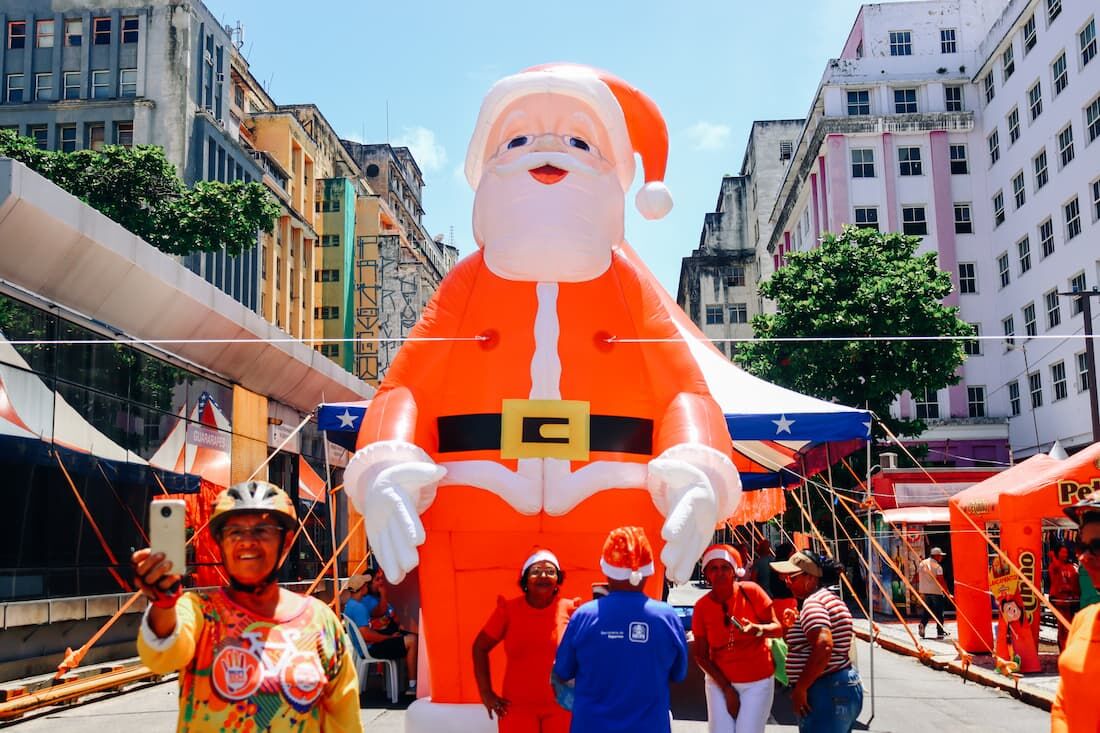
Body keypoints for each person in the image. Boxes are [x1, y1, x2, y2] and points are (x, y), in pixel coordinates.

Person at [131, 481, 363, 733]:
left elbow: (344, 720)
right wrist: (163, 602)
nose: (247, 541)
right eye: (234, 532)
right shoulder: (201, 612)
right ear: (219, 543)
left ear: (285, 542)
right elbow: (163, 657)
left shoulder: (321, 621)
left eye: (262, 530)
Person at [553, 526, 688, 733]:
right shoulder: (667, 617)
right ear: (648, 571)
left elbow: (562, 671)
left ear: (606, 570)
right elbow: (678, 673)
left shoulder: (584, 616)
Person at [472, 549, 579, 732]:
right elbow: (479, 647)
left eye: (550, 571)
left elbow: (589, 652)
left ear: (557, 580)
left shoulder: (572, 610)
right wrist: (486, 693)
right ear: (525, 580)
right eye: (536, 571)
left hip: (562, 706)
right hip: (516, 708)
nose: (543, 575)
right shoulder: (508, 610)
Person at [692, 544, 782, 733]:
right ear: (707, 574)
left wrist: (757, 629)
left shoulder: (752, 591)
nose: (720, 573)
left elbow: (777, 629)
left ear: (735, 571)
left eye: (725, 567)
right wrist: (726, 688)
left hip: (757, 681)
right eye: (713, 568)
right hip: (718, 682)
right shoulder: (701, 607)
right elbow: (700, 655)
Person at [771, 551, 862, 733]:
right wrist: (793, 627)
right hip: (840, 686)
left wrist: (801, 688)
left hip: (825, 689)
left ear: (810, 578)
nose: (787, 582)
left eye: (792, 577)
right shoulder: (828, 599)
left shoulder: (813, 604)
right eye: (786, 578)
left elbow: (824, 645)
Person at [1052, 497, 1100, 732]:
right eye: (1081, 547)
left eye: (1098, 547)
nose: (1084, 557)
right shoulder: (1084, 620)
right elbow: (1063, 704)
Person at [343, 571, 418, 695]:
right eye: (365, 585)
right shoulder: (359, 608)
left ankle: (410, 683)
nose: (367, 586)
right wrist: (389, 638)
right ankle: (412, 686)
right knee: (412, 640)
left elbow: (376, 615)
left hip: (368, 647)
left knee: (407, 637)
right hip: (372, 648)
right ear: (362, 588)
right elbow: (367, 635)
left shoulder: (351, 605)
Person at [1046, 546, 1079, 650]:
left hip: (1070, 601)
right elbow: (1057, 568)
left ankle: (1068, 648)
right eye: (1062, 552)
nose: (1065, 555)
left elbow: (1075, 582)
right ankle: (1063, 649)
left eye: (1066, 552)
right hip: (1058, 600)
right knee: (1062, 627)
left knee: (1069, 626)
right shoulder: (1053, 565)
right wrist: (1053, 557)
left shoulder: (1071, 566)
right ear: (1057, 553)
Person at [915, 547, 949, 639]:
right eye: (940, 556)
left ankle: (923, 623)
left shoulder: (922, 563)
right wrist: (947, 592)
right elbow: (941, 580)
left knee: (928, 611)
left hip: (925, 591)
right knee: (939, 612)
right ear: (936, 556)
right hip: (936, 592)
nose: (941, 558)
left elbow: (917, 576)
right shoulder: (938, 567)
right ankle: (940, 631)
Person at [768, 542, 798, 618]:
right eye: (792, 552)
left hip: (776, 601)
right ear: (787, 553)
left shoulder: (775, 564)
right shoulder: (785, 565)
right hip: (787, 601)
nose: (794, 554)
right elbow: (787, 583)